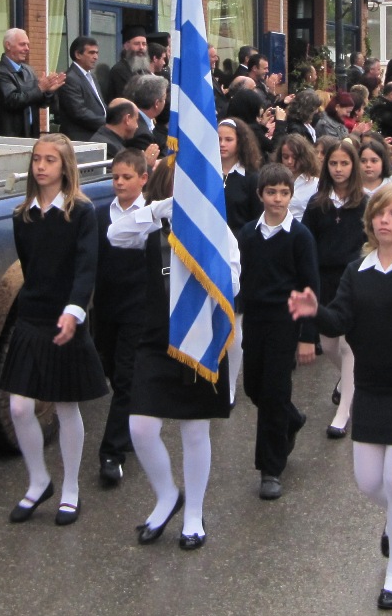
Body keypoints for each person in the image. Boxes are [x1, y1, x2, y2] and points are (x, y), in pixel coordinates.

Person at [288, 185, 392, 610]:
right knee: (370, 482)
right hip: (371, 386)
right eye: (380, 214)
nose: (385, 220)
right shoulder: (356, 271)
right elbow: (341, 317)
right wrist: (315, 311)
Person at [107, 158, 240, 551]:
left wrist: (204, 246)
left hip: (198, 336)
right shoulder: (155, 222)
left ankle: (194, 514)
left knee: (194, 430)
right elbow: (115, 234)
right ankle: (167, 494)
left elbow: (232, 279)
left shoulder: (218, 229)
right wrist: (157, 211)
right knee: (141, 427)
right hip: (156, 337)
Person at [1, 133, 105, 526]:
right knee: (19, 406)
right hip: (32, 316)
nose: (41, 166)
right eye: (36, 160)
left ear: (65, 167)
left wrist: (73, 312)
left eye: (49, 160)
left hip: (67, 317)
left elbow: (85, 268)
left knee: (66, 405)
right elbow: (30, 267)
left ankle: (71, 487)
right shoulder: (21, 215)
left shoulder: (80, 213)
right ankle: (38, 480)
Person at [237, 163, 320, 501]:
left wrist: (306, 336)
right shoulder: (247, 234)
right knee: (255, 387)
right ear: (261, 195)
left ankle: (270, 468)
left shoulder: (300, 236)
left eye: (284, 193)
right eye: (271, 192)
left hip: (285, 321)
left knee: (273, 390)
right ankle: (292, 418)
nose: (277, 199)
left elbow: (311, 287)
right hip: (255, 319)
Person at [93, 148, 150, 488]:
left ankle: (111, 453)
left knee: (127, 375)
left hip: (138, 308)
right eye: (115, 177)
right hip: (107, 307)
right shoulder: (102, 215)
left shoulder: (152, 215)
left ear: (143, 179)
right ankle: (127, 424)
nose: (119, 183)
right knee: (112, 370)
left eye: (127, 177)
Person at [305, 138, 368, 439]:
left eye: (345, 163)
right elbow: (308, 245)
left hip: (355, 279)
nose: (339, 169)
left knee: (348, 346)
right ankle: (348, 381)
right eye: (333, 163)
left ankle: (343, 413)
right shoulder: (318, 204)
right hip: (325, 279)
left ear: (354, 166)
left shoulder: (366, 202)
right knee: (329, 344)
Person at [0, 29, 66, 138]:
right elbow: (12, 100)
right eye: (22, 45)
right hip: (10, 137)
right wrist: (40, 88)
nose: (27, 49)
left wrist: (48, 92)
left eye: (28, 45)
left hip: (31, 134)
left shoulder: (28, 70)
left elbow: (39, 102)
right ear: (8, 45)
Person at [57, 36, 109, 141]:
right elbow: (79, 112)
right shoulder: (70, 78)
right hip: (81, 138)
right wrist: (108, 123)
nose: (95, 57)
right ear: (78, 54)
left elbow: (100, 104)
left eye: (97, 53)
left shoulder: (92, 76)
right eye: (91, 53)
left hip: (97, 135)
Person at [218, 118, 263, 233]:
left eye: (228, 140)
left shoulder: (252, 178)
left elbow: (257, 217)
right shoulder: (208, 174)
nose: (222, 144)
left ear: (240, 142)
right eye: (219, 139)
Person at [106, 26, 150, 101]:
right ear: (126, 46)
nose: (141, 47)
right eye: (137, 44)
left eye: (144, 44)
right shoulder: (119, 70)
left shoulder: (144, 71)